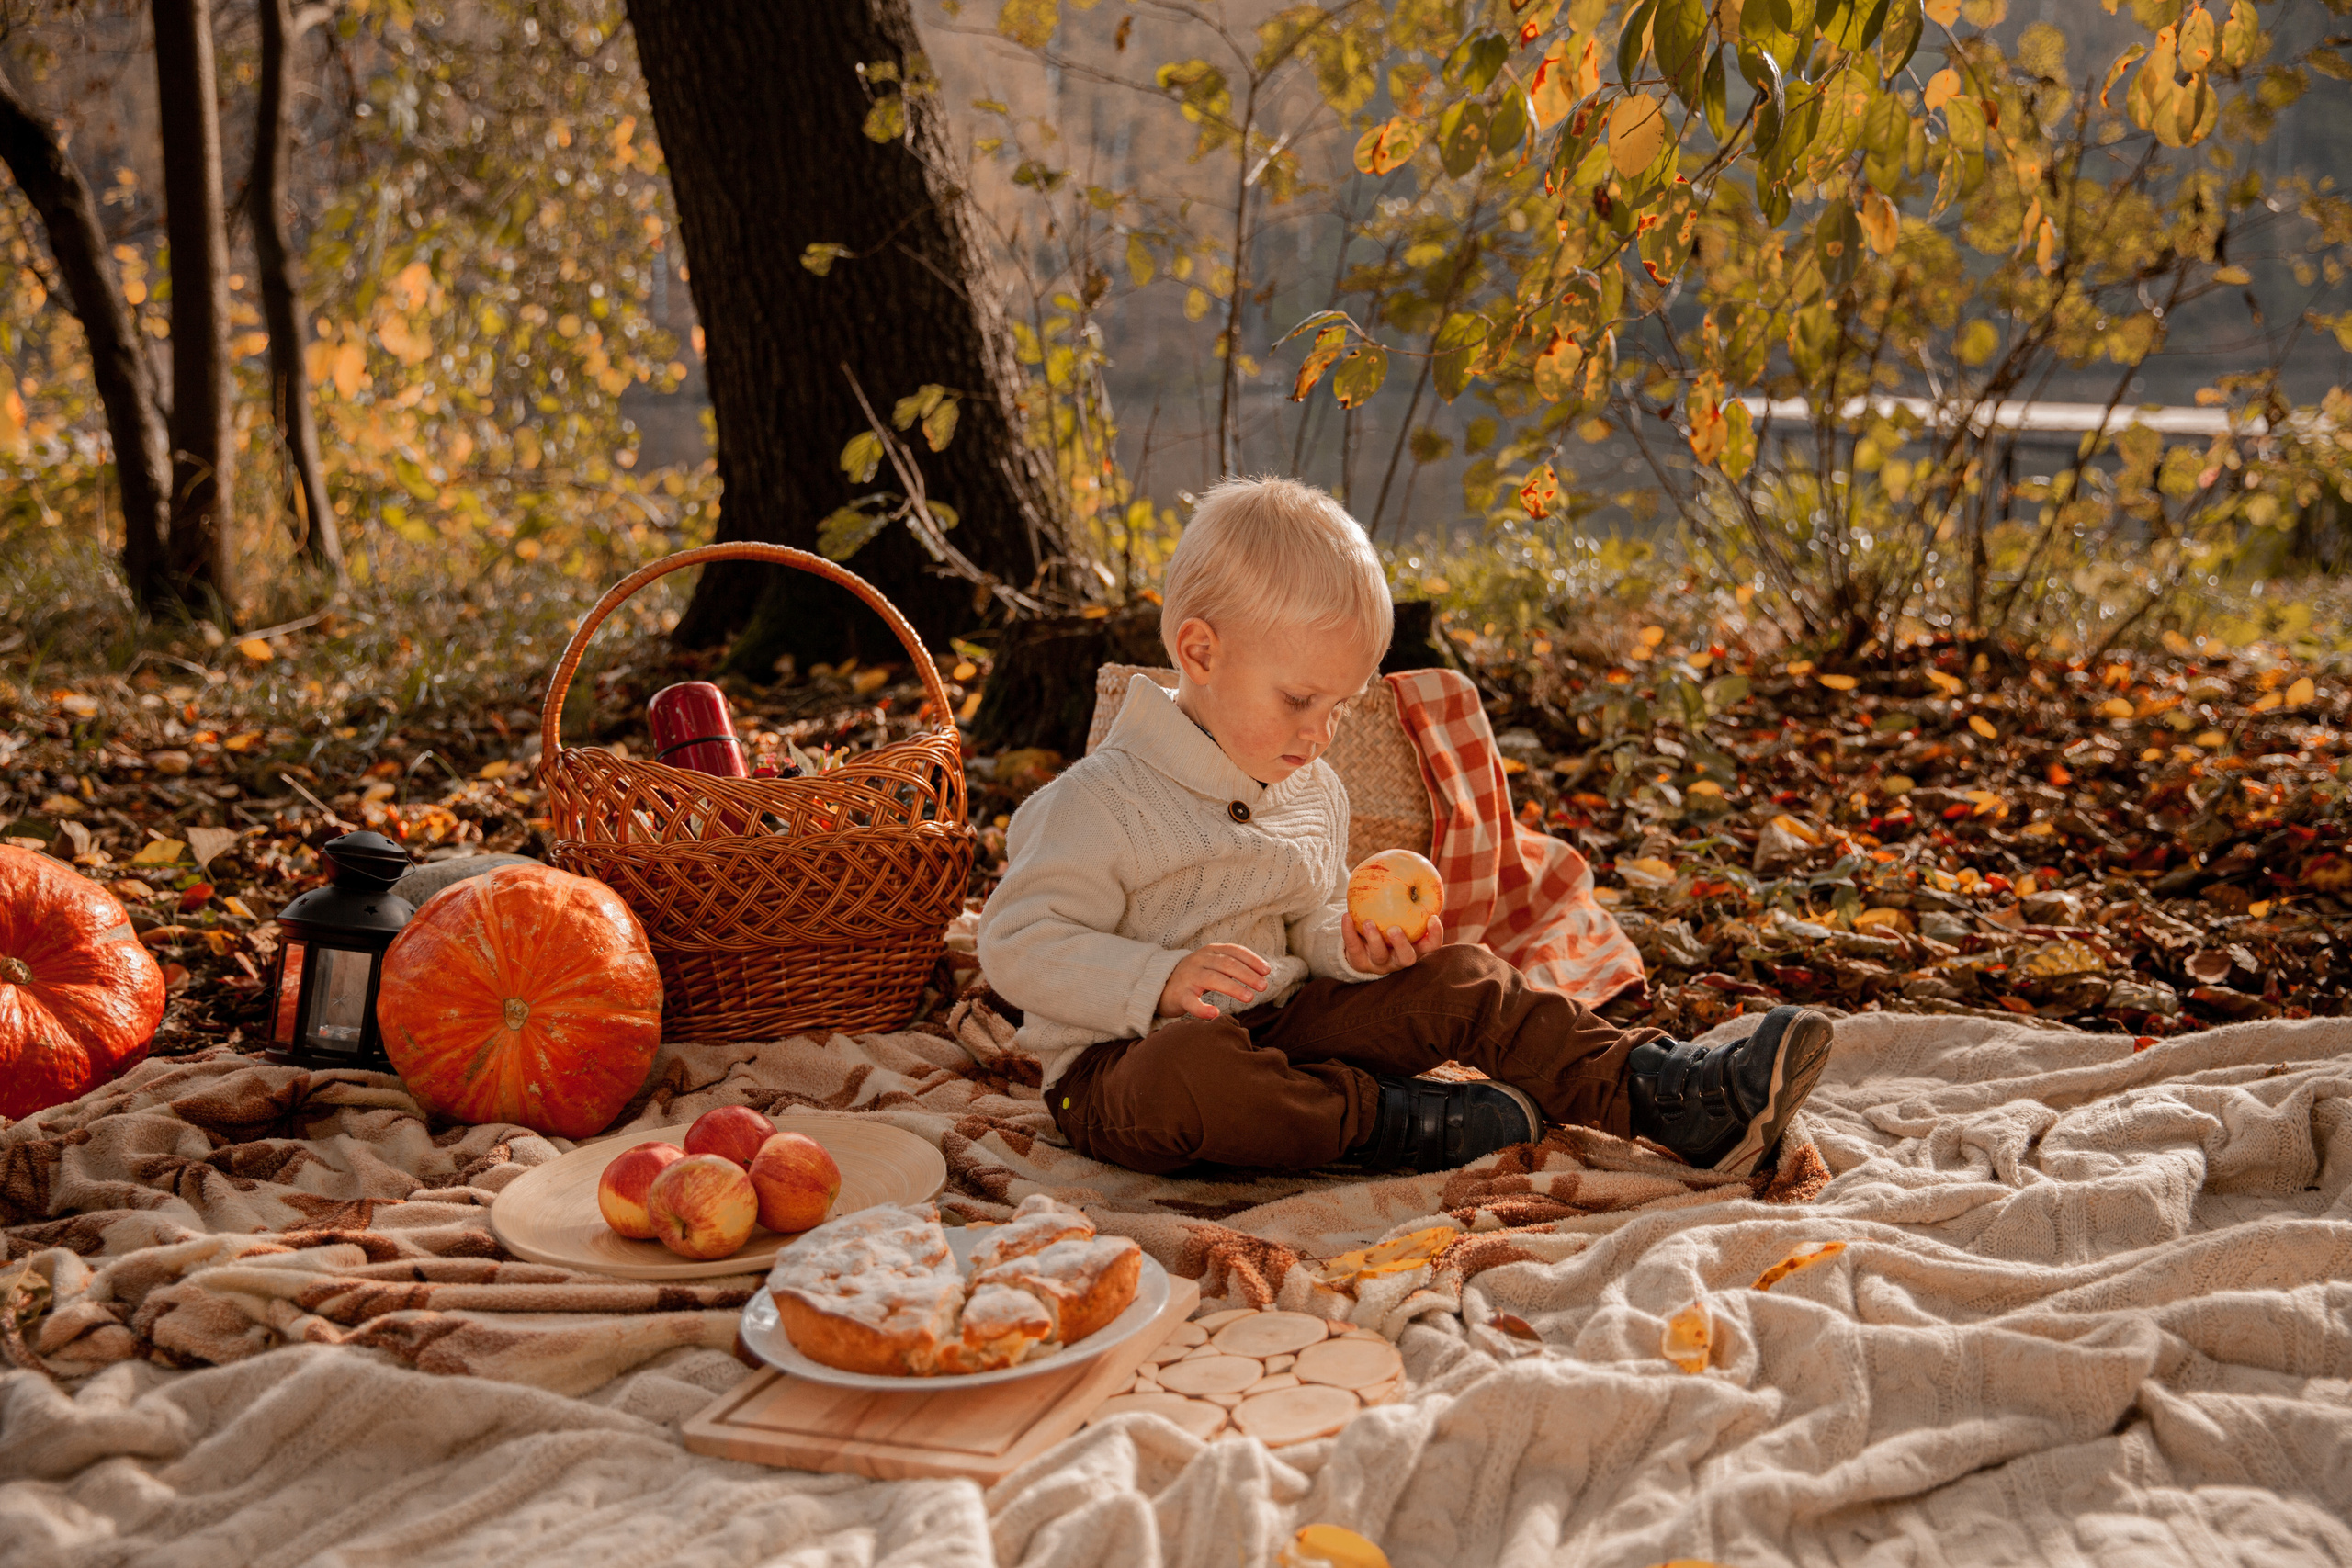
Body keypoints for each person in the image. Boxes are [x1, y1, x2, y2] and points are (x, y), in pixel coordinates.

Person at [976, 476, 1832, 1177]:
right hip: (1122, 1069)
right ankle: (1394, 1123)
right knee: (1192, 1076)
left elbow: (1305, 921)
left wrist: (1350, 947)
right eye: (1301, 700)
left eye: (1342, 707)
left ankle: (1672, 1097)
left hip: (1285, 1022)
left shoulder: (1309, 784)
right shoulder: (1098, 799)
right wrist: (1158, 977)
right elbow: (1015, 942)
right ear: (1200, 653)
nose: (1321, 734)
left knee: (1463, 977)